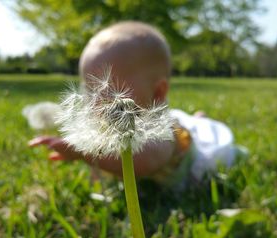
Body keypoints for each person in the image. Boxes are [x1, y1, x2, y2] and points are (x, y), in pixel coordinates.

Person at [29, 21, 246, 189]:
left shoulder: (162, 133)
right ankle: (195, 121)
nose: (95, 101)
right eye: (89, 88)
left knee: (211, 146)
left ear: (158, 93)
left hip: (192, 162)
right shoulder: (101, 131)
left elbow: (143, 162)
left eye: (109, 89)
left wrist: (84, 153)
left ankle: (197, 124)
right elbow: (105, 166)